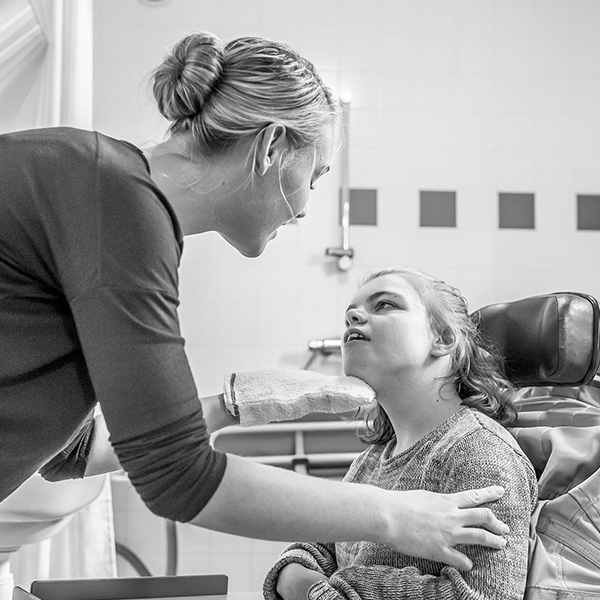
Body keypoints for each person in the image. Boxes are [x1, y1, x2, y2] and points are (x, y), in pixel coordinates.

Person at [0, 31, 509, 568]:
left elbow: (70, 452)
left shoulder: (99, 183)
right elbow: (177, 477)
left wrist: (231, 407)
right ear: (270, 148)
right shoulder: (118, 209)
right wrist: (397, 516)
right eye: (314, 175)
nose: (308, 206)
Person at [264, 266, 538, 600]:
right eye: (351, 313)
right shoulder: (372, 459)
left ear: (443, 339)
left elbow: (483, 597)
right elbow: (319, 546)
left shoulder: (479, 453)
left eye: (384, 305)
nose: (352, 316)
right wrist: (299, 577)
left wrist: (329, 588)